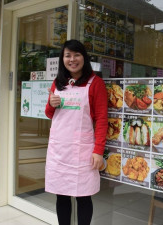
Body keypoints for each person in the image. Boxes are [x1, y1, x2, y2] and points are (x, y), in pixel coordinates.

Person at [45, 39, 108, 225]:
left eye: (76, 55)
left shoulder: (95, 83)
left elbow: (102, 119)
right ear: (62, 58)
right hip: (59, 150)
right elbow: (49, 114)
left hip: (83, 151)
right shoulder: (58, 83)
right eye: (68, 55)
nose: (72, 59)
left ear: (84, 57)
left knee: (83, 196)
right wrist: (50, 104)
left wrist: (98, 151)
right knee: (62, 196)